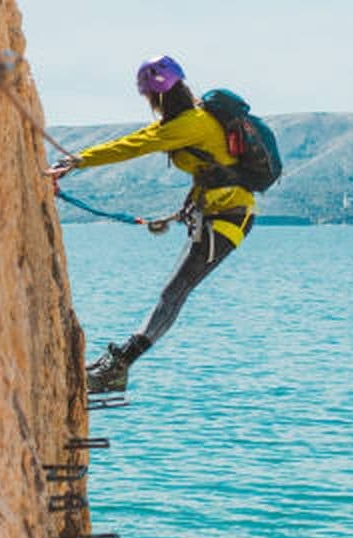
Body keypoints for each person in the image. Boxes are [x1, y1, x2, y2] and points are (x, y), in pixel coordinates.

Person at [47, 55, 256, 393]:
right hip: (217, 217)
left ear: (154, 96)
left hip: (228, 220)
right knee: (172, 292)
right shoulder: (190, 122)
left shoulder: (190, 124)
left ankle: (120, 366)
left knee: (173, 293)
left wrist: (77, 162)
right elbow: (201, 163)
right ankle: (116, 364)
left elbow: (136, 144)